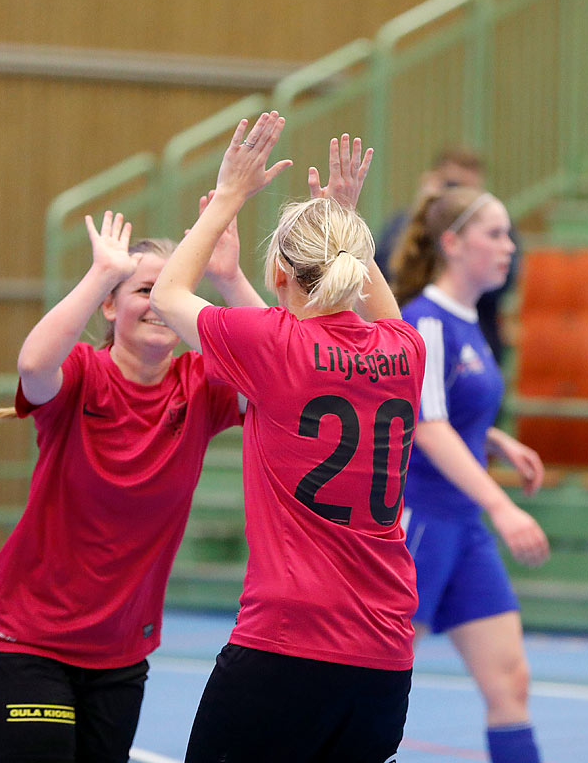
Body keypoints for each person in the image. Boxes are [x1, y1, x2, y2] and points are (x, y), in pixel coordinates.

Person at [151, 118, 426, 763]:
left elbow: (166, 293)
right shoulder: (405, 350)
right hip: (384, 659)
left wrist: (226, 198)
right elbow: (368, 307)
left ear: (277, 272)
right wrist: (344, 220)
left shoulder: (274, 345)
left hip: (287, 643)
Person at [0, 204, 262, 763]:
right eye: (145, 289)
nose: (159, 304)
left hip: (119, 653)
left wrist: (230, 279)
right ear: (110, 305)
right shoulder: (82, 373)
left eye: (174, 291)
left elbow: (275, 367)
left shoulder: (201, 385)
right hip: (25, 640)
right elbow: (33, 363)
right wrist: (101, 271)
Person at [389, 185, 551, 763]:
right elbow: (428, 427)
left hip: (463, 531)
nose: (509, 247)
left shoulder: (469, 321)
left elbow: (447, 408)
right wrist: (504, 507)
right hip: (420, 526)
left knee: (510, 683)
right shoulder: (425, 323)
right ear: (453, 243)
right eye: (495, 233)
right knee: (377, 684)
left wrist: (494, 438)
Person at [374, 147, 519, 362]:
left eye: (466, 188)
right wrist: (424, 207)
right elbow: (389, 269)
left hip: (479, 327)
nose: (507, 247)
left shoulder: (490, 221)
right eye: (452, 184)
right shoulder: (425, 320)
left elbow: (505, 280)